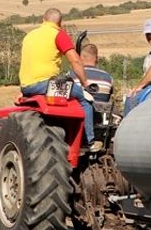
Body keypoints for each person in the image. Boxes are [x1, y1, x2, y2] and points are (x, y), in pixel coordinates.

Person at [18, 8, 100, 152]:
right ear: (60, 22)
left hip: (26, 86)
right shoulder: (58, 34)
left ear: (43, 19)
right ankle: (89, 141)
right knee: (84, 99)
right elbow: (75, 61)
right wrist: (85, 83)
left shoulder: (29, 36)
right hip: (46, 84)